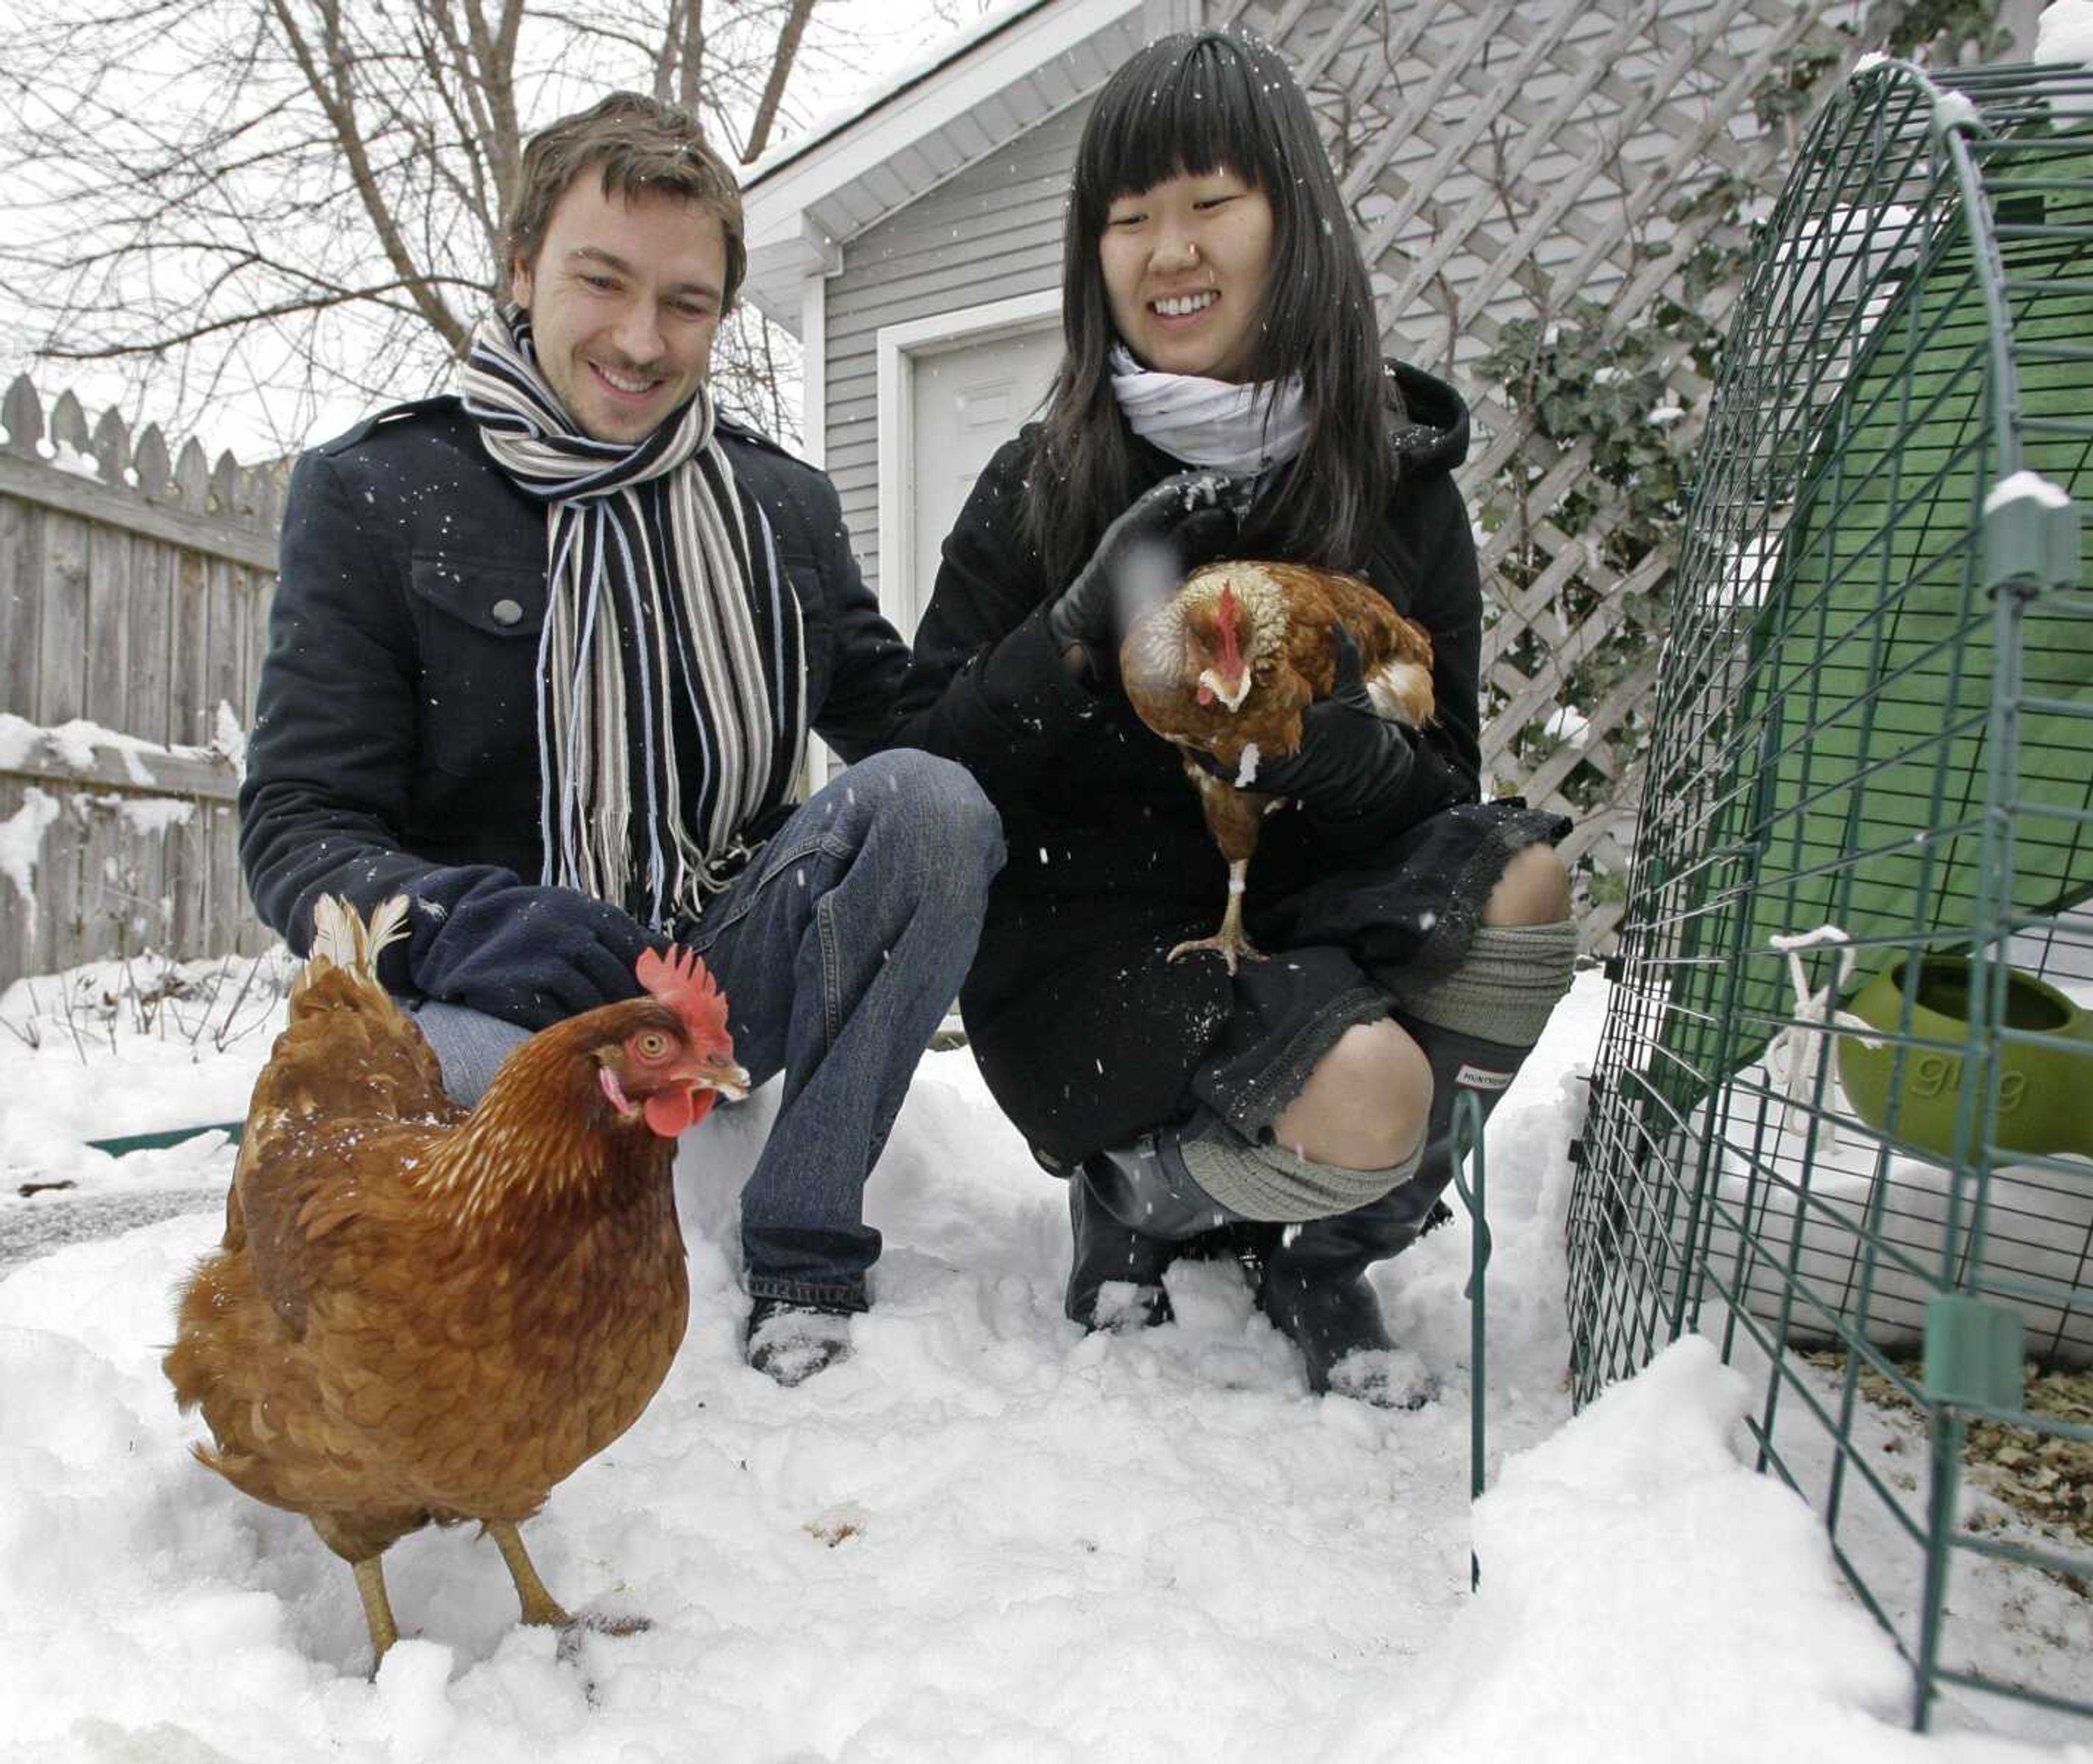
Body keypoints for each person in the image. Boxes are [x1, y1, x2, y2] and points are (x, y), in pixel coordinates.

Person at [239, 92, 1003, 1386]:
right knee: (441, 1121)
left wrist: (1059, 613)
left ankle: (806, 1241)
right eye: (603, 282)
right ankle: (484, 1368)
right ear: (524, 265)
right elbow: (298, 824)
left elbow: (916, 739)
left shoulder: (777, 507)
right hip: (500, 998)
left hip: (714, 975)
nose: (643, 341)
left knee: (936, 806)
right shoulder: (380, 494)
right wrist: (475, 923)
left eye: (687, 303)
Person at [889, 30, 1576, 1407]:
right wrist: (1074, 634)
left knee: (1527, 886)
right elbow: (927, 775)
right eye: (1127, 218)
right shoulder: (1043, 482)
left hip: (1308, 916)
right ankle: (1140, 1195)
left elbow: (1450, 782)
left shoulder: (1399, 492)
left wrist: (1344, 755)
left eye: (1210, 204)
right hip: (1094, 956)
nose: (1166, 250)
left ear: (1294, 223)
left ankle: (1330, 1249)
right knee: (1372, 1090)